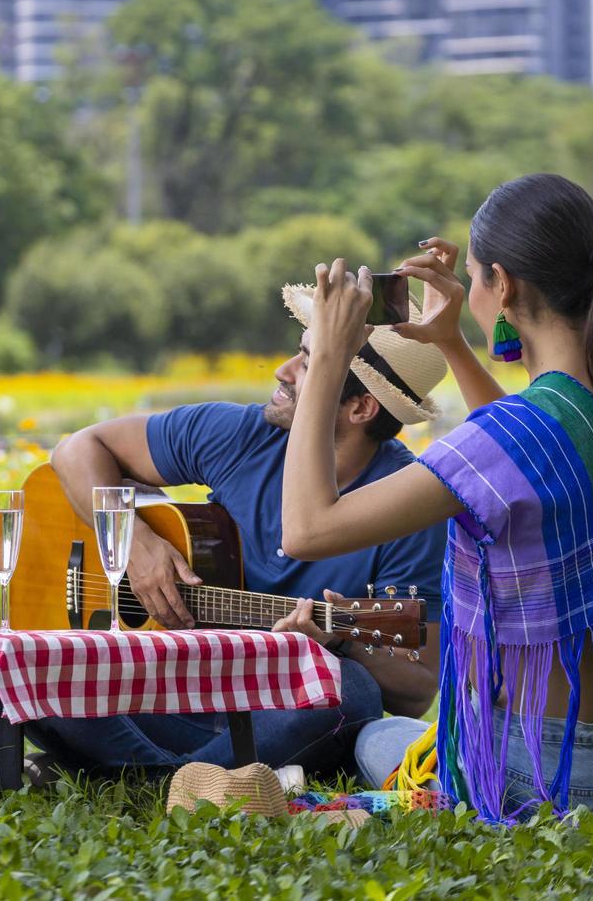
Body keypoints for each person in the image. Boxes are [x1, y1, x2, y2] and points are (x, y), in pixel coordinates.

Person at [285, 173, 593, 818]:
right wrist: (449, 342)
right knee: (397, 740)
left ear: (504, 285)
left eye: (472, 278)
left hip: (550, 772)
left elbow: (307, 528)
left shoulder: (518, 434)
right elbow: (519, 458)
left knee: (381, 740)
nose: (468, 292)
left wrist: (328, 358)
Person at [27, 287, 452, 779]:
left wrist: (341, 643)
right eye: (299, 349)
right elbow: (79, 448)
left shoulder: (409, 505)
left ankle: (138, 775)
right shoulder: (242, 435)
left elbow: (416, 690)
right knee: (17, 665)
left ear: (360, 409)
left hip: (273, 716)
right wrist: (132, 545)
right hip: (175, 693)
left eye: (310, 363)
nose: (283, 371)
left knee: (348, 691)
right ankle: (191, 780)